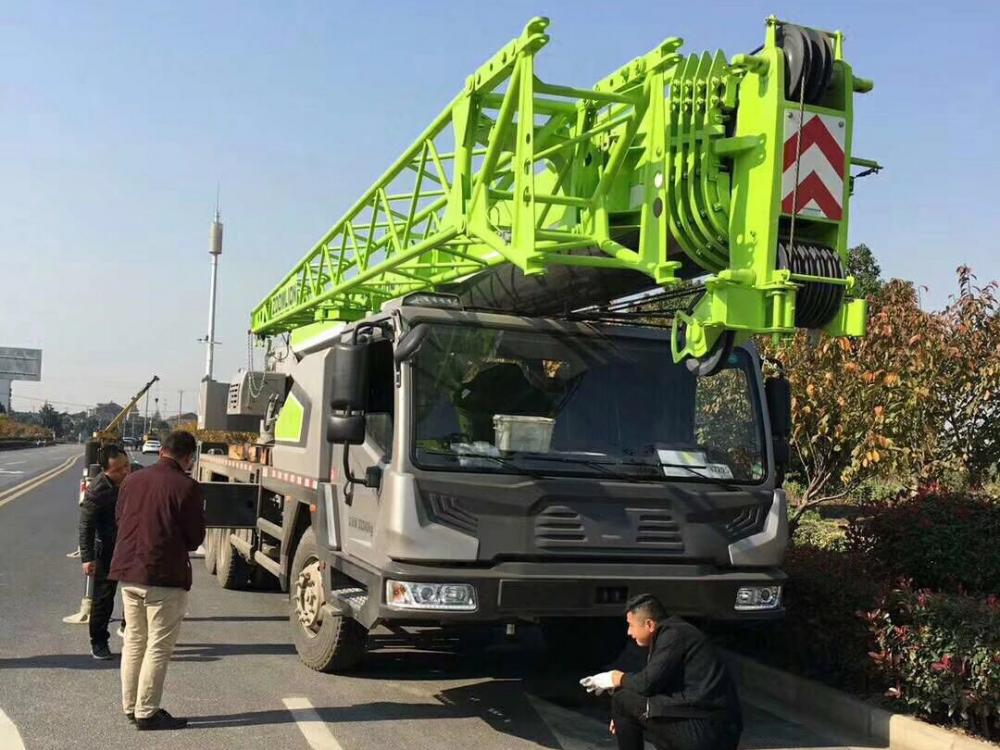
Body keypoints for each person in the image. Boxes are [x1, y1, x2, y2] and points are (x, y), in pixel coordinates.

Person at [110, 430, 205, 731]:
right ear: (189, 457)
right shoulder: (187, 487)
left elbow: (119, 519)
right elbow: (194, 538)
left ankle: (130, 705)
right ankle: (147, 711)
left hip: (129, 573)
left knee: (135, 642)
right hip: (163, 576)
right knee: (157, 647)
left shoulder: (132, 480)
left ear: (162, 450)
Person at [581, 593, 743, 750]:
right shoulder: (674, 633)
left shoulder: (672, 635)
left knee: (621, 699)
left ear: (649, 624)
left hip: (709, 730)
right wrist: (622, 717)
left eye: (631, 625)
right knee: (630, 707)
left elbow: (646, 684)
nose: (629, 632)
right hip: (708, 725)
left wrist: (616, 677)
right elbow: (655, 687)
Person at [78, 444, 132, 659]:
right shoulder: (97, 490)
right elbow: (86, 526)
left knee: (135, 591)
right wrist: (87, 557)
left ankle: (128, 627)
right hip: (106, 549)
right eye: (118, 469)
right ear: (105, 470)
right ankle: (99, 642)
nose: (125, 472)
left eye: (126, 465)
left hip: (129, 545)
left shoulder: (133, 478)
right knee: (103, 597)